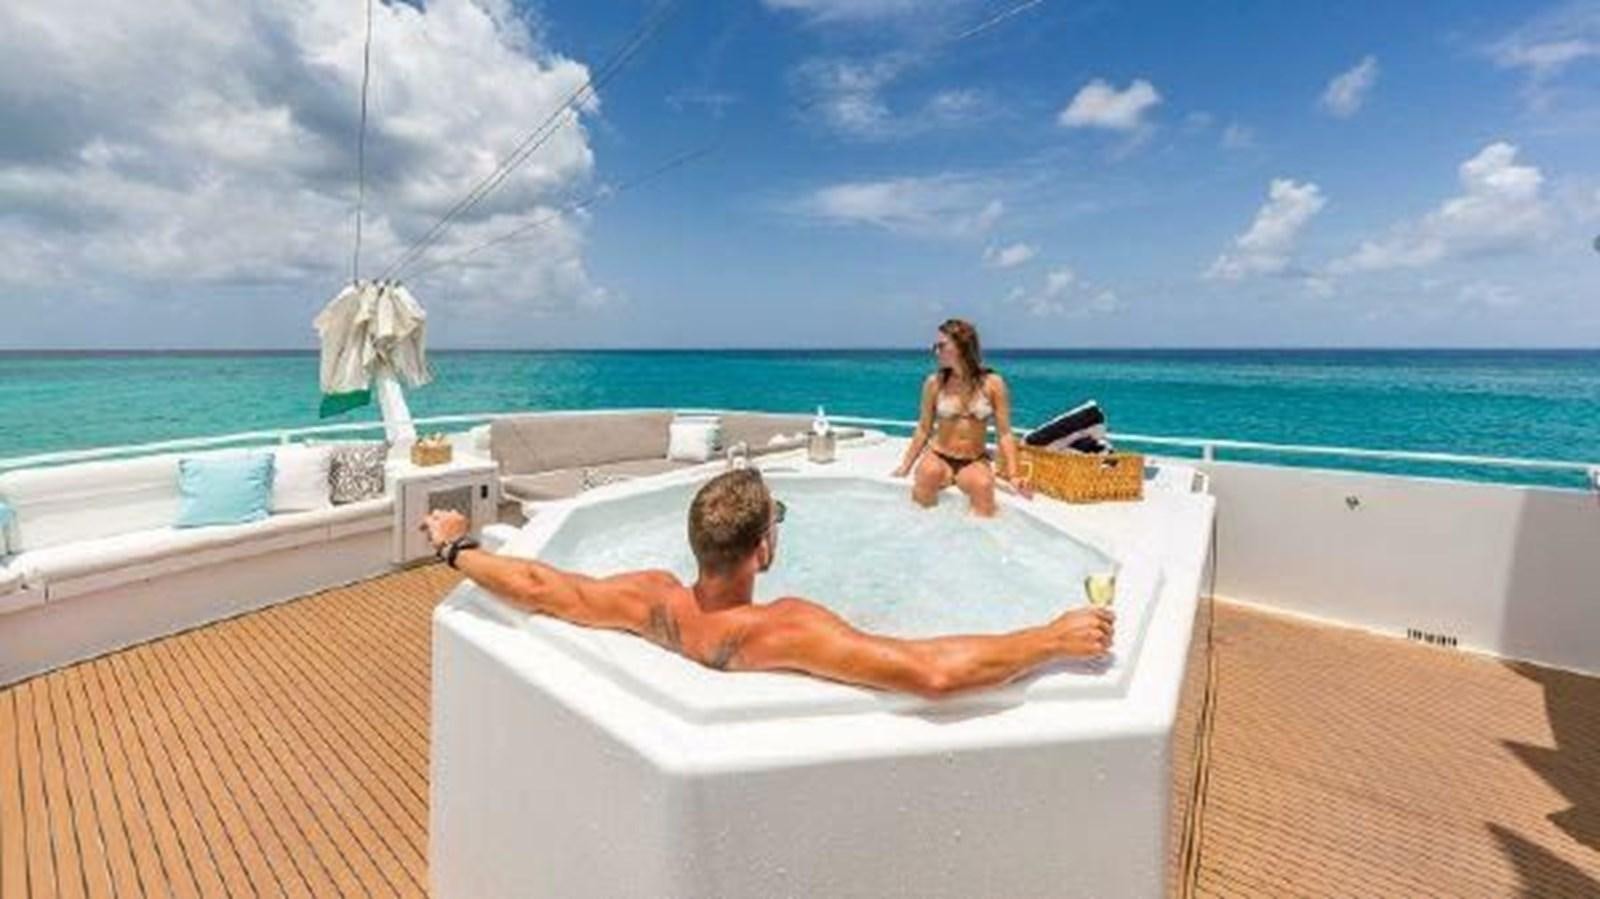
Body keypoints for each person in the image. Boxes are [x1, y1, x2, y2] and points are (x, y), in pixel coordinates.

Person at [422, 469, 1113, 699]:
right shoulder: (785, 627)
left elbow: (541, 584)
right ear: (763, 549)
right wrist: (1048, 638)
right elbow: (930, 673)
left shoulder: (652, 599)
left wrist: (454, 546)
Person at [892, 318, 1029, 516]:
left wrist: (1014, 475)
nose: (936, 351)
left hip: (973, 461)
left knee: (983, 486)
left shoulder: (993, 384)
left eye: (941, 346)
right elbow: (923, 428)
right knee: (927, 475)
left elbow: (1005, 433)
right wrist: (906, 466)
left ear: (961, 346)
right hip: (939, 456)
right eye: (935, 346)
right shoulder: (934, 383)